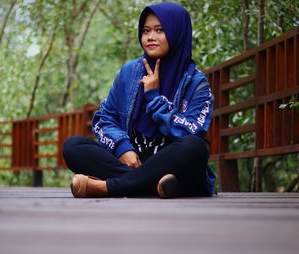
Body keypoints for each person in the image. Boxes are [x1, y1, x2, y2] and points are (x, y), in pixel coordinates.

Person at [62, 2, 216, 198]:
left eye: (160, 30)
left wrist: (154, 97)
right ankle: (154, 186)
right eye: (146, 31)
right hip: (132, 160)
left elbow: (192, 130)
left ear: (178, 32)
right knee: (73, 147)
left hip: (172, 161)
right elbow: (103, 118)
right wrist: (122, 147)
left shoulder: (196, 83)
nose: (150, 37)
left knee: (195, 148)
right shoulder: (128, 73)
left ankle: (108, 187)